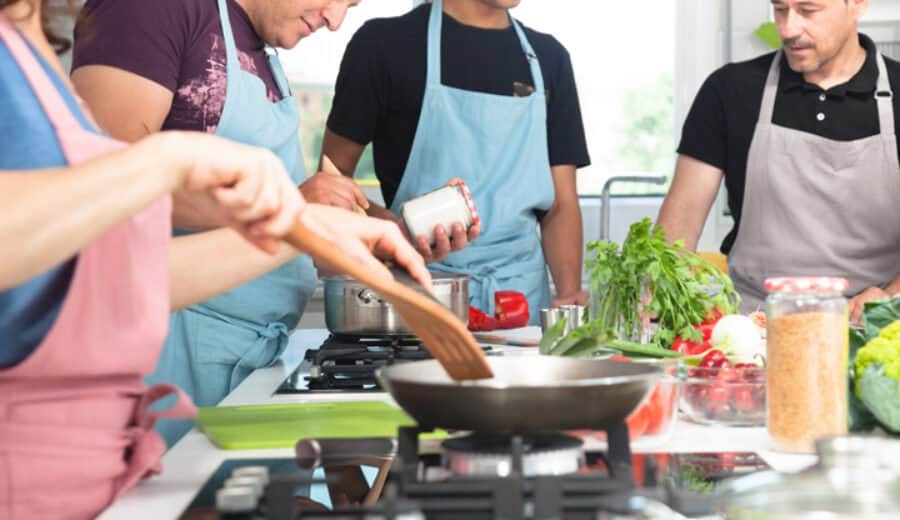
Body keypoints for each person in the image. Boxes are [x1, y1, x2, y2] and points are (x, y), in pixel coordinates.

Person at [0, 1, 428, 517]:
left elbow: (113, 273)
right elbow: (99, 225)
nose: (337, 19)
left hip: (110, 461)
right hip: (50, 459)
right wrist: (166, 163)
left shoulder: (31, 39)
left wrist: (303, 228)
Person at [70, 0, 372, 445]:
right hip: (169, 358)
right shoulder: (151, 8)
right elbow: (109, 180)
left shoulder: (261, 52)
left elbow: (262, 218)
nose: (335, 20)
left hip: (248, 360)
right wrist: (289, 208)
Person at [322, 0, 591, 323]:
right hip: (424, 295)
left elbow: (561, 204)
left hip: (522, 309)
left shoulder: (550, 59)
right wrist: (394, 231)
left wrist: (568, 295)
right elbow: (331, 184)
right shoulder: (383, 46)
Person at [657, 0, 900, 321]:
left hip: (874, 327)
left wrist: (889, 298)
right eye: (780, 9)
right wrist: (662, 307)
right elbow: (680, 224)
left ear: (856, 5)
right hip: (753, 327)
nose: (788, 29)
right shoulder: (730, 90)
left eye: (808, 10)